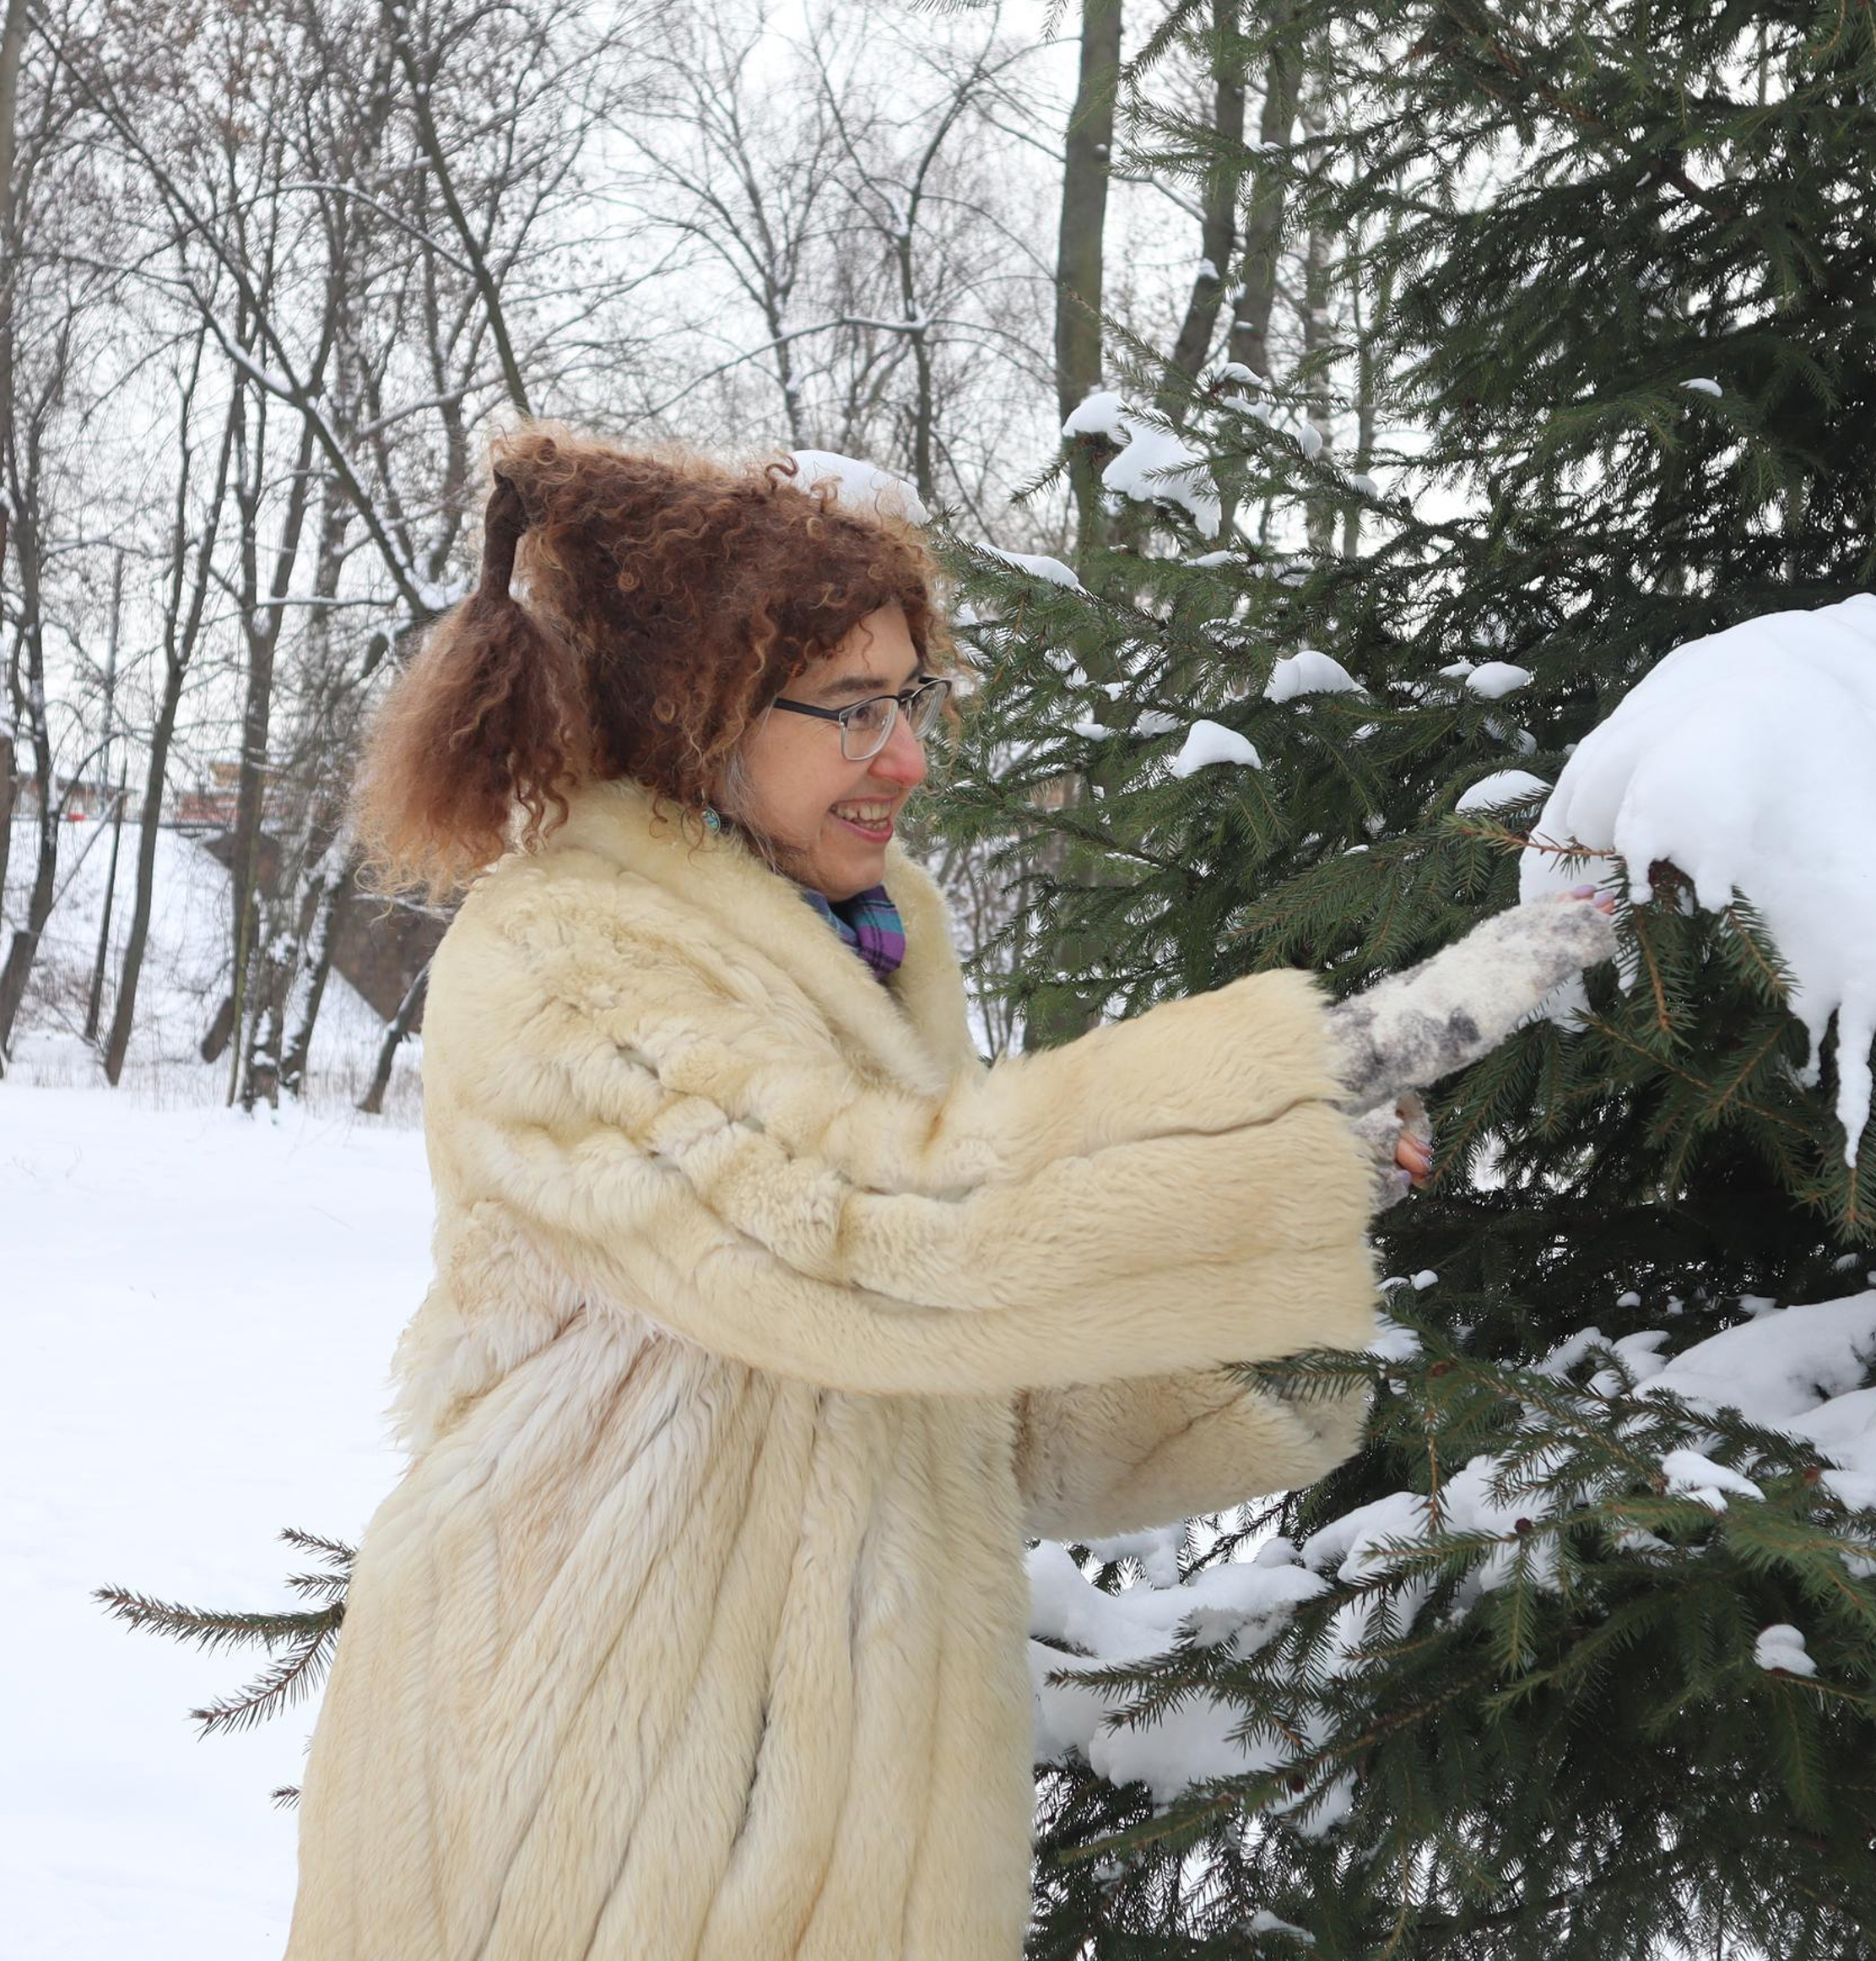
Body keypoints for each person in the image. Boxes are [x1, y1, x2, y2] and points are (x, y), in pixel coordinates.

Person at [282, 425, 1615, 1961]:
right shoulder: (572, 952)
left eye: (912, 699)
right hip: (594, 1781)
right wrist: (1302, 1083)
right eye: (852, 711)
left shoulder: (861, 946)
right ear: (692, 712)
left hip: (841, 1809)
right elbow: (861, 1238)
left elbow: (989, 1393)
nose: (907, 758)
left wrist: (1296, 1233)